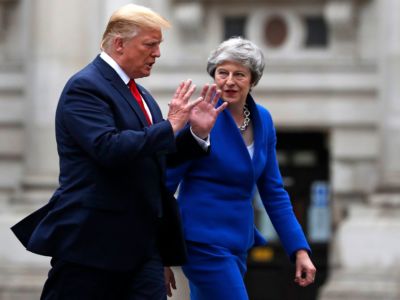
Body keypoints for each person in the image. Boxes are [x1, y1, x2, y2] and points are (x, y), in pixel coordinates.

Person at [11, 4, 226, 300]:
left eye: (159, 45)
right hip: (93, 245)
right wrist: (169, 126)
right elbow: (108, 148)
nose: (158, 54)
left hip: (142, 247)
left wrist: (195, 133)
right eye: (150, 45)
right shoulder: (85, 87)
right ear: (119, 44)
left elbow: (154, 155)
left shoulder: (141, 94)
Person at [165, 37, 317, 300]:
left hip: (238, 244)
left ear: (253, 80)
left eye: (239, 74)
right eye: (222, 73)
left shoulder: (264, 121)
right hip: (201, 243)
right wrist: (161, 252)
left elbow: (273, 192)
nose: (229, 81)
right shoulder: (200, 116)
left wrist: (299, 249)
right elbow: (165, 182)